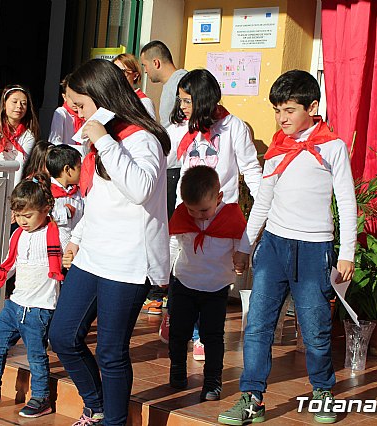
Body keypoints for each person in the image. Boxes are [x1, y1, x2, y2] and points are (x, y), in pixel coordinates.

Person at [217, 70, 357, 425]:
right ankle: (252, 397)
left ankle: (323, 390)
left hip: (315, 249)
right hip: (274, 248)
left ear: (312, 106)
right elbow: (262, 201)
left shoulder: (333, 147)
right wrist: (246, 247)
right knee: (258, 325)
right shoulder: (277, 147)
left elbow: (346, 200)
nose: (282, 118)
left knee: (315, 327)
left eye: (290, 110)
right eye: (277, 110)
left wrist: (347, 253)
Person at [48, 58, 171, 426]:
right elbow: (97, 199)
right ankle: (97, 404)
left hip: (129, 261)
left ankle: (114, 421)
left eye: (81, 106)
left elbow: (139, 190)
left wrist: (102, 138)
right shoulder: (105, 139)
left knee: (111, 352)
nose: (76, 114)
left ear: (102, 98)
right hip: (93, 255)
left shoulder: (140, 139)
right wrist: (78, 240)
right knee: (63, 335)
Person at [163, 68, 263, 358]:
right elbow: (162, 154)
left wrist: (265, 202)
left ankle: (201, 335)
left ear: (203, 99)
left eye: (186, 100)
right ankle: (178, 319)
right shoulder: (184, 127)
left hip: (219, 217)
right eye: (180, 100)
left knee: (211, 280)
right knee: (181, 270)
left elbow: (250, 169)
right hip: (187, 212)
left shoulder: (233, 127)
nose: (181, 106)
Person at [0, 173, 66, 419]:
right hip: (15, 304)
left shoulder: (55, 235)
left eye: (28, 215)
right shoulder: (19, 235)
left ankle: (41, 397)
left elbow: (71, 242)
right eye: (18, 215)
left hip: (39, 308)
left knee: (36, 355)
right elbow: (12, 262)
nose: (22, 220)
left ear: (45, 209)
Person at [168, 165, 246, 402]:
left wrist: (241, 264)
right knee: (178, 333)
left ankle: (212, 380)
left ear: (219, 197)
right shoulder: (183, 213)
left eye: (203, 210)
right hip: (184, 282)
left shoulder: (231, 217)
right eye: (191, 210)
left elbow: (241, 246)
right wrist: (166, 271)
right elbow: (174, 243)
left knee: (212, 336)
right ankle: (178, 371)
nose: (197, 216)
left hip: (216, 288)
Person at [139, 40, 187, 315]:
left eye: (146, 66)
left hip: (173, 168)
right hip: (174, 166)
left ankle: (160, 289)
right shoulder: (180, 83)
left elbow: (171, 130)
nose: (147, 72)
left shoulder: (174, 86)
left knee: (165, 228)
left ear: (156, 62)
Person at [45, 144, 84, 247]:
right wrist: (64, 213)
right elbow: (40, 217)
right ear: (67, 169)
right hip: (54, 247)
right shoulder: (45, 192)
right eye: (79, 167)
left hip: (76, 246)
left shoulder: (78, 192)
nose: (82, 171)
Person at [48, 75, 86, 156]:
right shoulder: (61, 113)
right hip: (66, 157)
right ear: (64, 97)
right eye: (70, 97)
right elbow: (54, 142)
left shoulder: (85, 114)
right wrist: (81, 149)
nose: (74, 101)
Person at [112, 53, 156, 119]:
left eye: (122, 71)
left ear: (135, 76)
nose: (117, 76)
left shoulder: (144, 102)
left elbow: (149, 128)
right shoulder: (111, 99)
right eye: (113, 72)